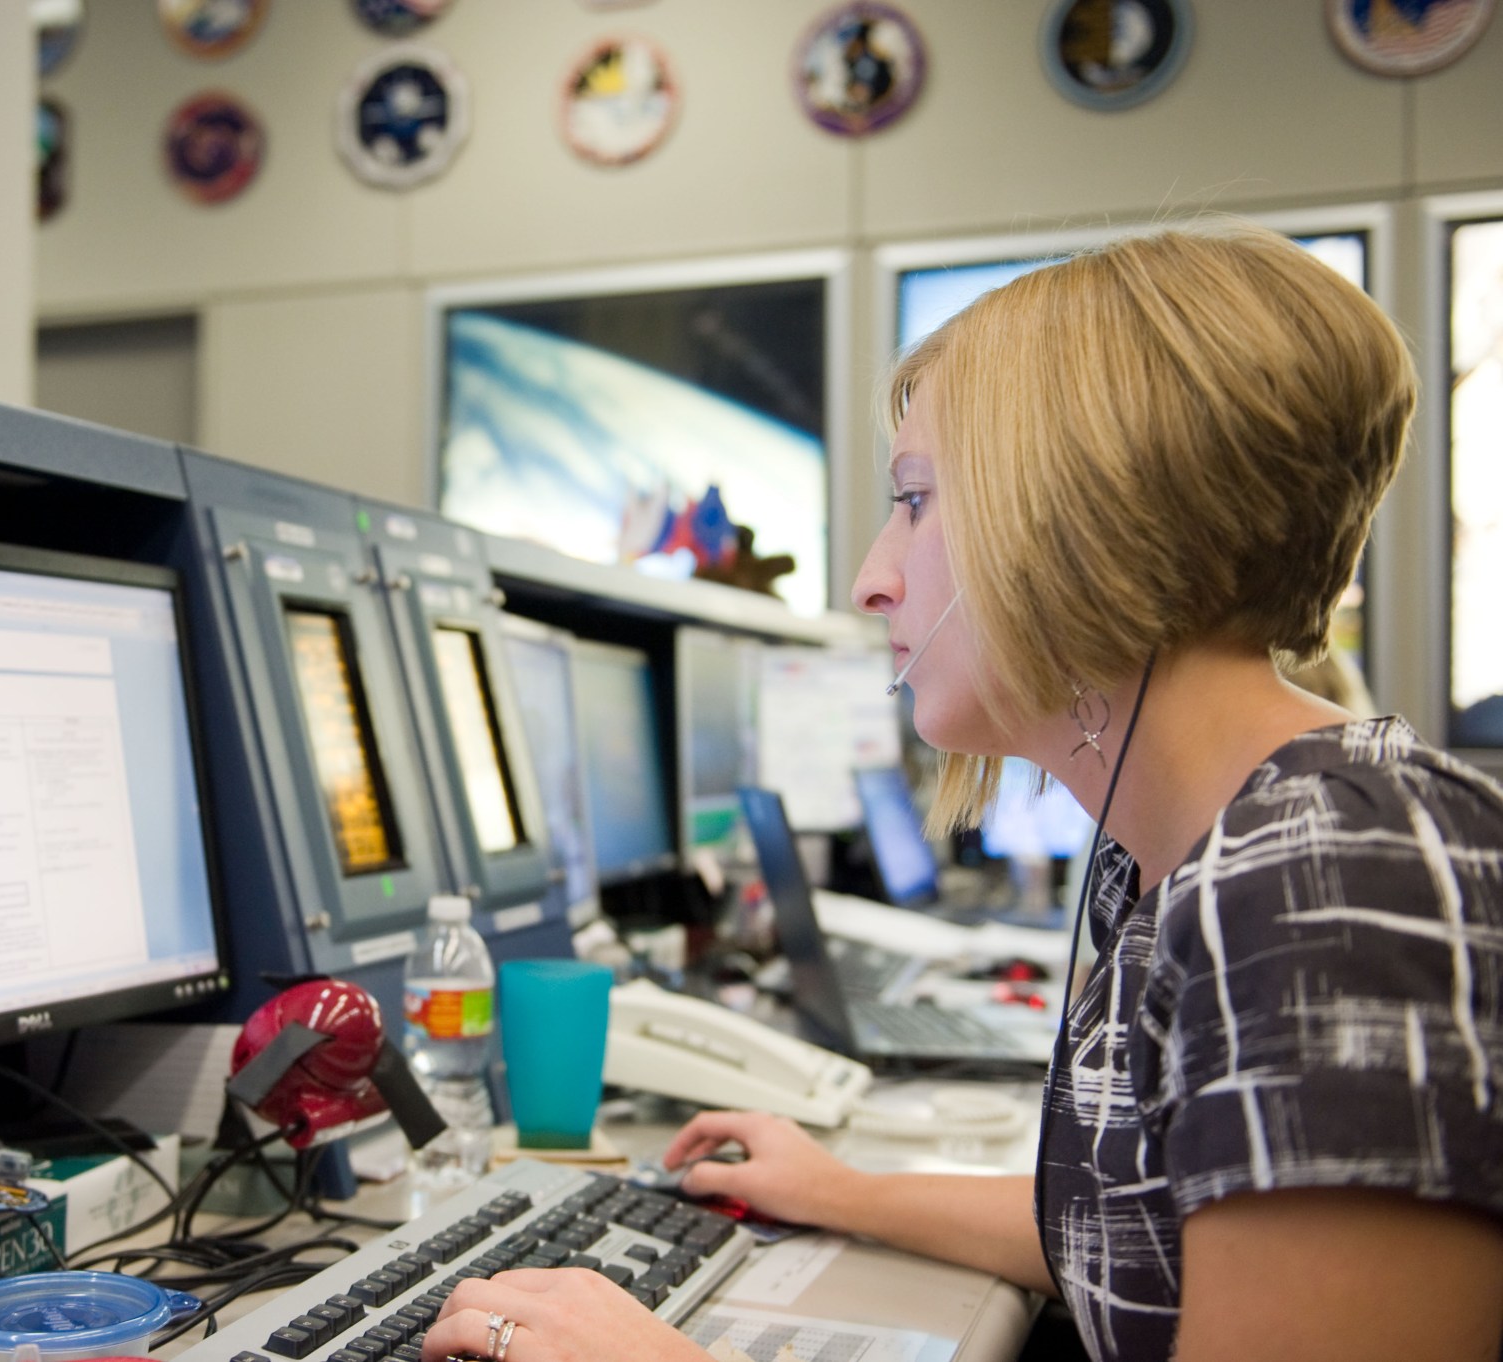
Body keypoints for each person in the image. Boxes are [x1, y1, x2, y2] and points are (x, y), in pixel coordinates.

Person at [421, 223, 1503, 1362]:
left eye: (918, 501)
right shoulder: (1193, 852)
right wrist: (838, 1189)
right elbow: (1145, 1228)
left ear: (1083, 524)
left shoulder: (1328, 878)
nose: (870, 579)